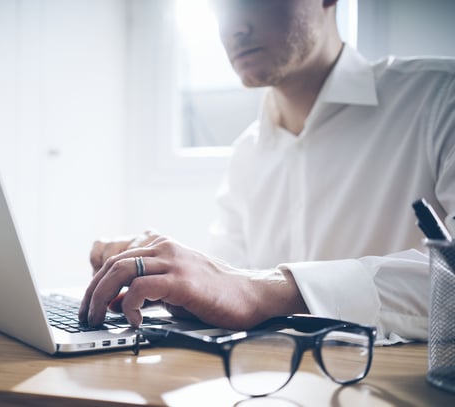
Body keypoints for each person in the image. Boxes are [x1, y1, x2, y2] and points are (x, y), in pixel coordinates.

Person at [78, 0, 455, 344]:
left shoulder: (442, 98)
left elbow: (250, 290)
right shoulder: (247, 150)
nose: (233, 28)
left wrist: (271, 291)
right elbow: (231, 283)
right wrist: (165, 272)